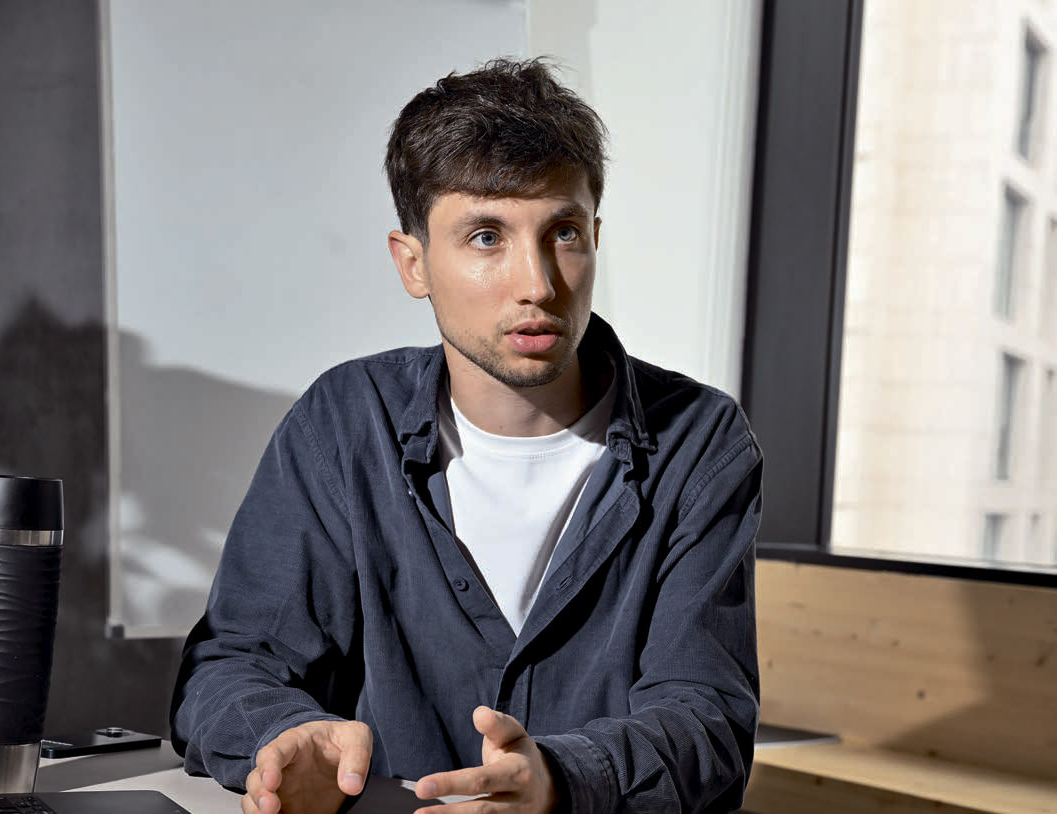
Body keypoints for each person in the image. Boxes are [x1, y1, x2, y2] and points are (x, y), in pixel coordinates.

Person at [170, 57, 762, 814]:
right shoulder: (345, 422)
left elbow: (706, 716)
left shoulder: (699, 439)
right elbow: (232, 662)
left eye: (564, 233)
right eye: (486, 237)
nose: (538, 284)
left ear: (595, 237)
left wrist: (561, 780)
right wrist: (282, 734)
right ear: (412, 263)